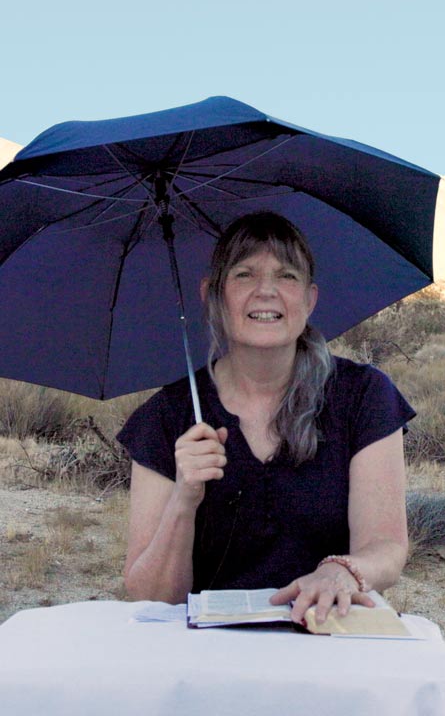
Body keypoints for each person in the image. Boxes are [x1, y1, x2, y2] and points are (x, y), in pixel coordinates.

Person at [118, 211, 413, 625]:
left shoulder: (363, 396)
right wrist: (184, 501)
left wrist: (340, 571)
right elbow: (151, 596)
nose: (266, 292)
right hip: (206, 657)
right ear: (212, 295)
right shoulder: (167, 416)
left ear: (309, 299)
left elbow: (385, 547)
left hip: (330, 637)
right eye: (244, 275)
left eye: (286, 276)